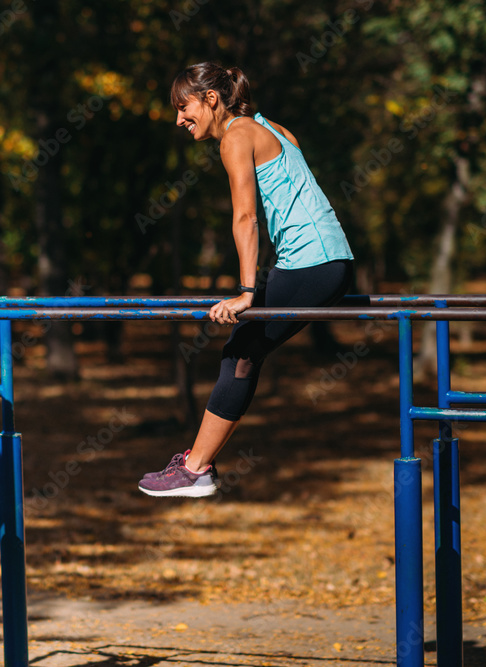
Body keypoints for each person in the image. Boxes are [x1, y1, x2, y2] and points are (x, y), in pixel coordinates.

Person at [139, 63, 354, 498]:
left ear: (211, 99)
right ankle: (198, 466)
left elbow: (246, 217)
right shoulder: (271, 128)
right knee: (244, 353)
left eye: (183, 107)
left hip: (311, 262)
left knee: (241, 352)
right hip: (332, 260)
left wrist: (247, 292)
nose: (179, 119)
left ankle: (195, 469)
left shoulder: (236, 137)